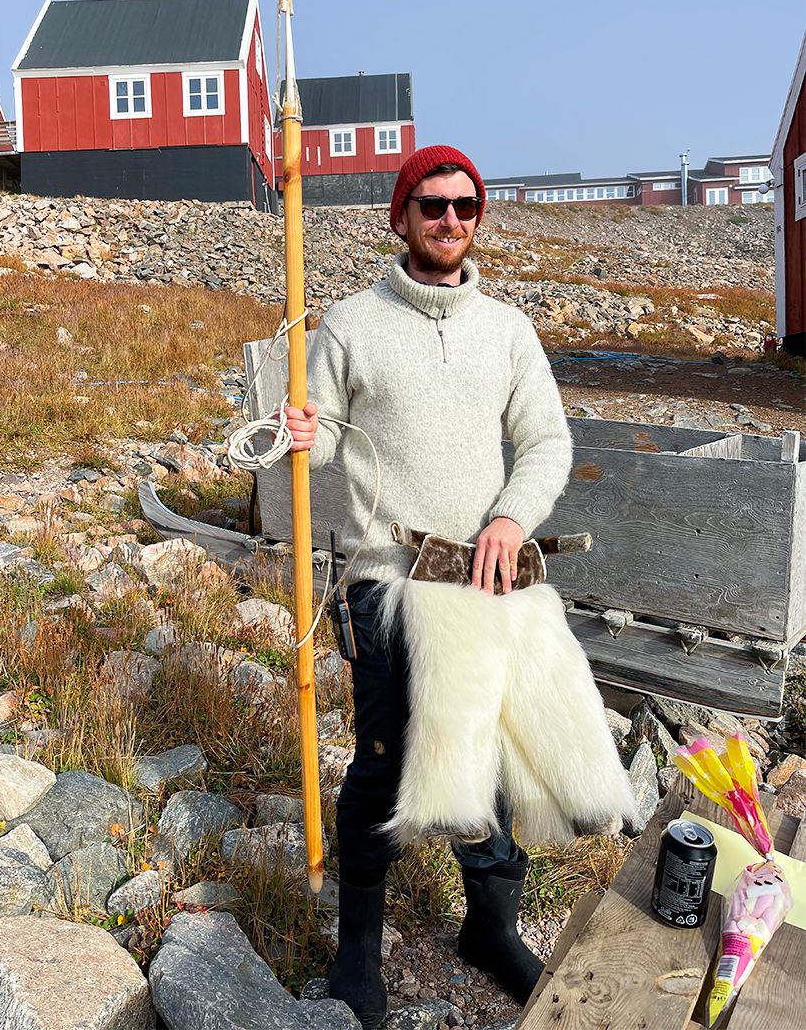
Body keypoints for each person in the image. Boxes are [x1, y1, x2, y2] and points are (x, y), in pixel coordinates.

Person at [285, 145, 573, 1029]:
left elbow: (548, 445)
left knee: (483, 760)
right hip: (384, 582)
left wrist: (509, 519)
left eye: (466, 206)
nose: (452, 219)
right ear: (401, 217)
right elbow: (322, 439)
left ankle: (490, 930)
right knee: (381, 761)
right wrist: (299, 427)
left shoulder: (509, 331)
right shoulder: (349, 325)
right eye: (433, 205)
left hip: (481, 587)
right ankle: (359, 951)